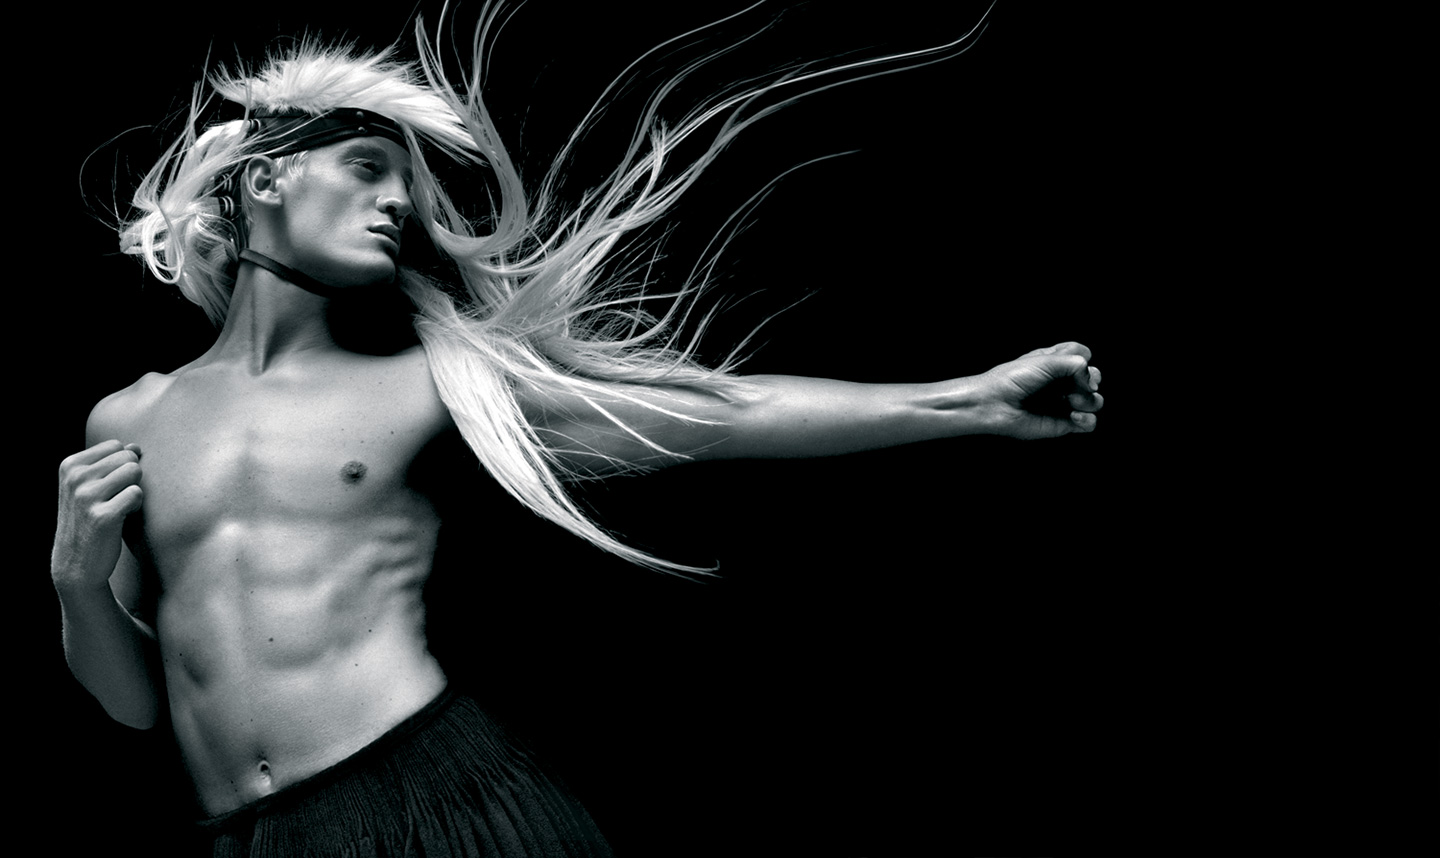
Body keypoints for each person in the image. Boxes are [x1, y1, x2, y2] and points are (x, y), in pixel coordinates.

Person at [52, 5, 1102, 855]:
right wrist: (78, 586)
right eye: (369, 167)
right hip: (251, 837)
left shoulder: (426, 387)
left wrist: (970, 399)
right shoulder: (133, 416)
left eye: (406, 188)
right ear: (266, 177)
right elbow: (134, 706)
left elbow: (721, 413)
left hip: (436, 801)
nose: (398, 205)